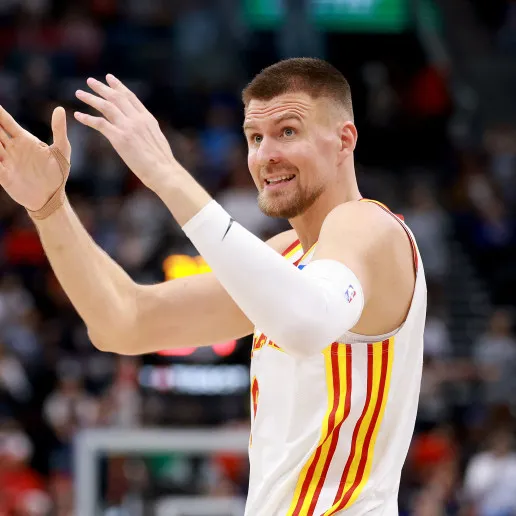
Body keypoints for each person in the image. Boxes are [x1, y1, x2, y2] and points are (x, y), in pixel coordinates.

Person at [0, 58, 426, 515]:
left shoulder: (370, 226)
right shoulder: (286, 257)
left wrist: (165, 172)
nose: (265, 155)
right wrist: (49, 207)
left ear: (344, 140)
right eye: (255, 138)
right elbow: (123, 322)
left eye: (287, 132)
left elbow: (307, 325)